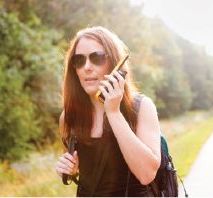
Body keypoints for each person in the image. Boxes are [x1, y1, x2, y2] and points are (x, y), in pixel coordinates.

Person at [55, 26, 161, 196]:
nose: (87, 67)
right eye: (79, 60)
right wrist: (68, 168)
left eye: (96, 58)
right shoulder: (69, 117)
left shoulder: (142, 108)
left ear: (114, 63)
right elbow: (80, 168)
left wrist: (113, 113)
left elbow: (147, 174)